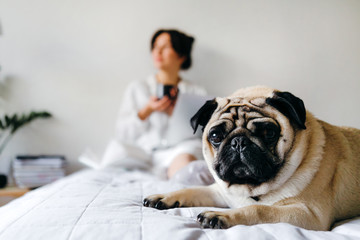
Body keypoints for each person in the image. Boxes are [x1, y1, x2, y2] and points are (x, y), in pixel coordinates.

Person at [110, 29, 208, 179]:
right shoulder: (138, 88)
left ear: (181, 55)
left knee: (185, 163)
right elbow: (121, 133)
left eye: (166, 47)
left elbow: (205, 133)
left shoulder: (196, 92)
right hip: (145, 155)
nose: (158, 51)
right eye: (155, 46)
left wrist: (177, 112)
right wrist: (146, 111)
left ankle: (181, 183)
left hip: (180, 151)